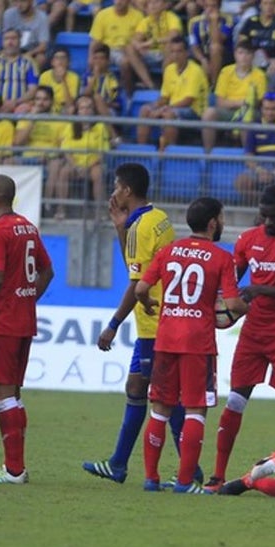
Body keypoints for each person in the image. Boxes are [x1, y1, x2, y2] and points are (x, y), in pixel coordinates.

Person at [207, 185, 275, 492]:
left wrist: (261, 290)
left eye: (274, 216)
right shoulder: (247, 239)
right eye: (264, 216)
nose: (268, 222)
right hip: (254, 327)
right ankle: (217, 475)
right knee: (235, 399)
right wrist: (220, 310)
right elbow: (232, 282)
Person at [82, 163, 189, 486]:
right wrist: (119, 228)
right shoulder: (157, 219)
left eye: (116, 186)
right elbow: (137, 266)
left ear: (127, 190)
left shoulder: (141, 227)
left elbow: (136, 283)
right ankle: (118, 464)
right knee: (138, 389)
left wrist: (113, 324)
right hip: (161, 320)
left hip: (154, 324)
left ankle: (191, 471)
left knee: (166, 397)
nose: (114, 192)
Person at [133, 197, 247, 493]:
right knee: (196, 411)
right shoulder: (222, 258)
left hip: (166, 339)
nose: (222, 223)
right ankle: (185, 482)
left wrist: (148, 304)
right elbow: (232, 302)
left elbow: (141, 288)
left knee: (159, 409)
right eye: (221, 218)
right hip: (198, 343)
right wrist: (250, 307)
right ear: (212, 223)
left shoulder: (168, 251)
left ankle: (151, 478)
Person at [0, 175, 54, 484]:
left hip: (2, 321)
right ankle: (16, 466)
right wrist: (28, 297)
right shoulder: (28, 227)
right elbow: (48, 271)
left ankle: (13, 470)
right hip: (23, 320)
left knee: (2, 393)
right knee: (14, 394)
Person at [136, 35, 211, 148]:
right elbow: (165, 97)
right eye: (173, 52)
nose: (176, 55)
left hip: (194, 112)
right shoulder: (169, 69)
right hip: (173, 107)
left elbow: (188, 101)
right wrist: (154, 106)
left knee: (169, 115)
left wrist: (163, 109)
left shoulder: (196, 71)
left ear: (186, 53)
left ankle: (169, 154)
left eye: (179, 52)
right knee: (145, 109)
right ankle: (141, 151)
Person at [202, 40, 268, 151]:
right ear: (235, 54)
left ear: (253, 56)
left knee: (246, 119)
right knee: (208, 113)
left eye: (248, 53)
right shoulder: (226, 71)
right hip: (229, 111)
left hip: (250, 111)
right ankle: (207, 154)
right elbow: (220, 102)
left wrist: (245, 105)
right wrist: (241, 102)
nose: (244, 57)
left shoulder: (260, 75)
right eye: (241, 53)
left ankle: (248, 158)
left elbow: (259, 102)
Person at [235, 94, 275, 200]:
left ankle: (273, 208)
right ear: (261, 109)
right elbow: (248, 156)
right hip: (259, 167)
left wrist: (274, 172)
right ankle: (262, 204)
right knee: (241, 182)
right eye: (267, 109)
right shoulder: (254, 126)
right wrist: (260, 170)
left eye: (273, 109)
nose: (270, 112)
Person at [0, 27, 39, 114]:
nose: (10, 42)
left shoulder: (29, 62)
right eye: (6, 39)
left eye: (13, 38)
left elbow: (33, 90)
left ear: (20, 41)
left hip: (21, 104)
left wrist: (15, 102)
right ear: (2, 42)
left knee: (22, 110)